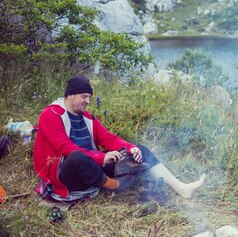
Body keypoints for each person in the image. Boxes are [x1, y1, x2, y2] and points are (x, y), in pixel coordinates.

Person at [33, 75, 206, 203]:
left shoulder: (86, 117)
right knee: (79, 157)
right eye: (84, 97)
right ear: (71, 95)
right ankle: (116, 185)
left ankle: (182, 188)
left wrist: (129, 147)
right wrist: (102, 157)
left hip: (92, 164)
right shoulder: (51, 115)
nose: (87, 101)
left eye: (89, 98)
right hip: (66, 171)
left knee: (141, 150)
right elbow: (65, 148)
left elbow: (107, 138)